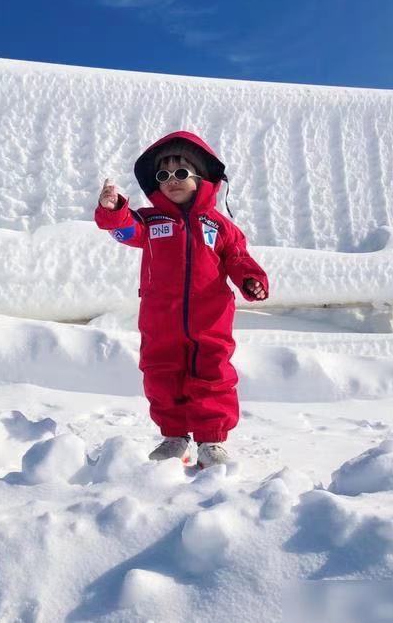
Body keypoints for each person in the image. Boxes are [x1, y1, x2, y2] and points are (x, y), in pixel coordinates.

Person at [95, 131, 269, 469]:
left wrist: (251, 280)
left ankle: (211, 440)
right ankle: (174, 436)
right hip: (161, 319)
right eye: (163, 175)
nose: (171, 181)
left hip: (210, 318)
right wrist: (113, 209)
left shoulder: (219, 226)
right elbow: (125, 229)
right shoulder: (151, 221)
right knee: (161, 375)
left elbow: (238, 257)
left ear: (201, 178)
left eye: (180, 173)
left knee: (212, 374)